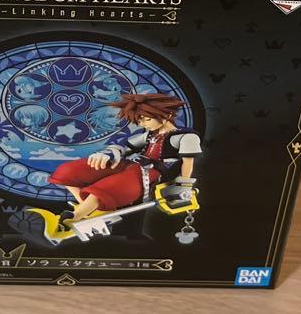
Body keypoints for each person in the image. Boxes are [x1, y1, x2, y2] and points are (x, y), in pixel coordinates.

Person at [47, 92, 200, 225]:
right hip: (132, 164)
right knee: (68, 171)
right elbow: (126, 147)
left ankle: (74, 217)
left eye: (147, 120)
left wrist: (184, 186)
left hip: (151, 174)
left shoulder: (186, 137)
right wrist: (107, 154)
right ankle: (89, 208)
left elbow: (188, 163)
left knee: (104, 189)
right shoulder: (150, 134)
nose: (143, 125)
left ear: (167, 115)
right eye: (140, 121)